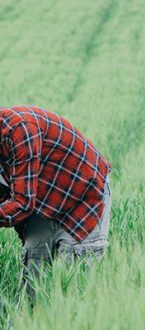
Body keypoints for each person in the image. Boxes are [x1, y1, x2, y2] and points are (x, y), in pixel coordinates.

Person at [0, 105, 112, 300]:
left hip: (82, 197)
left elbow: (22, 203)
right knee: (33, 281)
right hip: (42, 201)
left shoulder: (20, 128)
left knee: (78, 287)